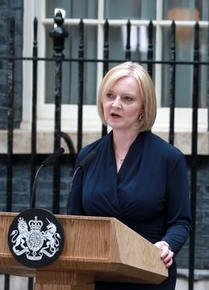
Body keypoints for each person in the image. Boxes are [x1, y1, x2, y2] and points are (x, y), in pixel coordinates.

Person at [67, 61, 192, 289]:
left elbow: (181, 222)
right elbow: (75, 219)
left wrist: (167, 245)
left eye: (127, 99)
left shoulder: (169, 158)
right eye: (110, 95)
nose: (115, 104)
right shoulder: (88, 156)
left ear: (144, 107)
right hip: (97, 275)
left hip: (147, 273)